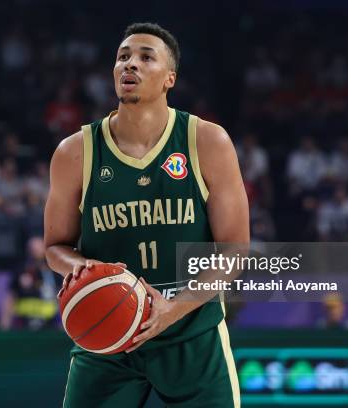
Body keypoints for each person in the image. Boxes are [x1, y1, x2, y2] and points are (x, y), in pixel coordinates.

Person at [45, 23, 249, 408]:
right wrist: (87, 270)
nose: (130, 64)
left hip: (190, 331)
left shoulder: (206, 141)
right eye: (123, 57)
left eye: (145, 57)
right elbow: (55, 247)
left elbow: (234, 249)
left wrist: (173, 309)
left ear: (169, 77)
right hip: (105, 339)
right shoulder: (75, 152)